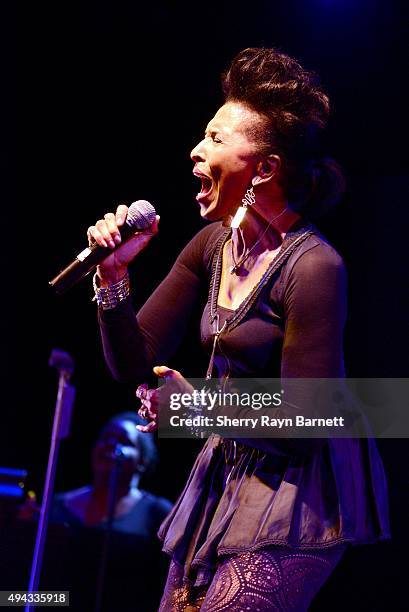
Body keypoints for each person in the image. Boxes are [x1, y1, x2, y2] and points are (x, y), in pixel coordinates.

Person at [88, 48, 390, 611]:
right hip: (226, 471)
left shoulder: (314, 267)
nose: (196, 151)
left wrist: (195, 407)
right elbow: (135, 363)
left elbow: (306, 420)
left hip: (303, 489)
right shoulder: (210, 246)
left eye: (216, 139)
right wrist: (113, 275)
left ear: (265, 169)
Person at [50, 412, 172, 611]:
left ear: (142, 460)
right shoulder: (57, 505)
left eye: (123, 441)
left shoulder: (158, 513)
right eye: (105, 438)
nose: (110, 445)